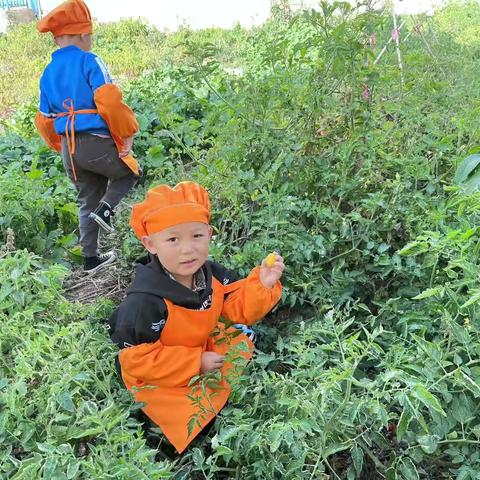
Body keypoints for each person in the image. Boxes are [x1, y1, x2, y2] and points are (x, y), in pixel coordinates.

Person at [108, 181, 284, 453]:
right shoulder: (144, 302)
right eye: (173, 239)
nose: (188, 250)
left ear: (209, 234)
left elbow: (231, 311)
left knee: (238, 338)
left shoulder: (209, 273)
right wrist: (194, 362)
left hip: (199, 344)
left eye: (197, 236)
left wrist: (262, 285)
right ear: (150, 244)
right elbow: (136, 361)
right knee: (188, 413)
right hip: (161, 369)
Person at [34, 0, 141, 273]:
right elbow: (109, 100)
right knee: (130, 173)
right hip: (96, 141)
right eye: (90, 34)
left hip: (69, 148)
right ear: (82, 34)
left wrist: (60, 145)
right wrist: (126, 133)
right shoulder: (89, 60)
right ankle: (107, 210)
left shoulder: (48, 72)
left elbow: (43, 118)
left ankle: (90, 259)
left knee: (86, 199)